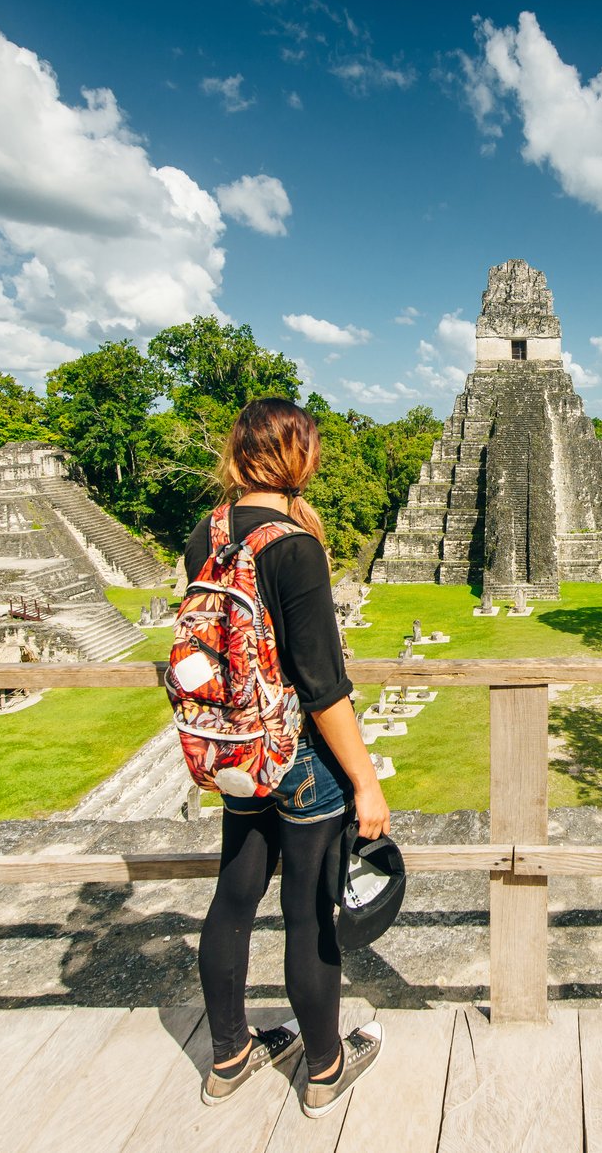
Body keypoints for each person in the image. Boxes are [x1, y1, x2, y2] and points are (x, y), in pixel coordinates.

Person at [187, 399, 389, 1116]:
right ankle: (327, 1068)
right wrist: (365, 782)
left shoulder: (205, 533)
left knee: (234, 899)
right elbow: (323, 685)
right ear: (297, 454)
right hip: (298, 756)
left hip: (236, 749)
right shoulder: (293, 547)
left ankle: (229, 1055)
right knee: (308, 914)